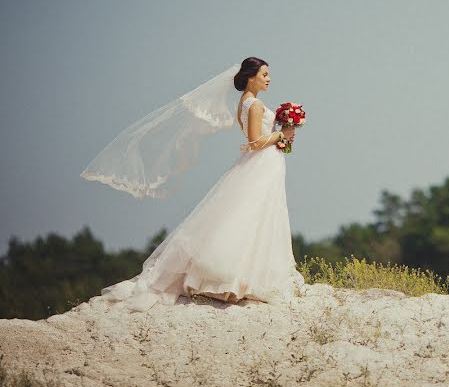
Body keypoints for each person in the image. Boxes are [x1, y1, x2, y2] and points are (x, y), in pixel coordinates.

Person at [81, 57, 306, 312]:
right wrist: (282, 135)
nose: (269, 78)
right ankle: (236, 278)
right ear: (251, 77)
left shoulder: (243, 103)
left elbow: (252, 141)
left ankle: (242, 276)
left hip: (262, 164)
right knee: (254, 216)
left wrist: (281, 138)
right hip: (260, 165)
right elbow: (255, 142)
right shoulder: (255, 104)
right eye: (264, 74)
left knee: (250, 216)